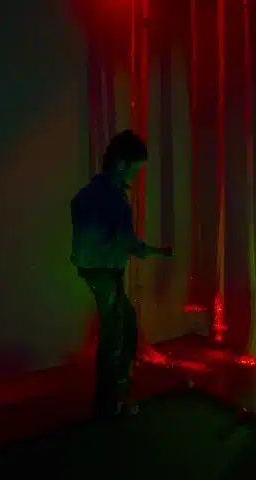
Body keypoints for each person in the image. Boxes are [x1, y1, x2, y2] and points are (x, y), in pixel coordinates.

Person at [71, 129, 173, 420]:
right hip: (105, 272)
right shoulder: (114, 199)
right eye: (134, 169)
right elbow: (129, 243)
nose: (134, 175)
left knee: (122, 326)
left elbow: (87, 229)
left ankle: (114, 395)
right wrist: (157, 252)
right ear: (120, 164)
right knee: (116, 334)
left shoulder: (87, 194)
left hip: (93, 270)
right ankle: (111, 401)